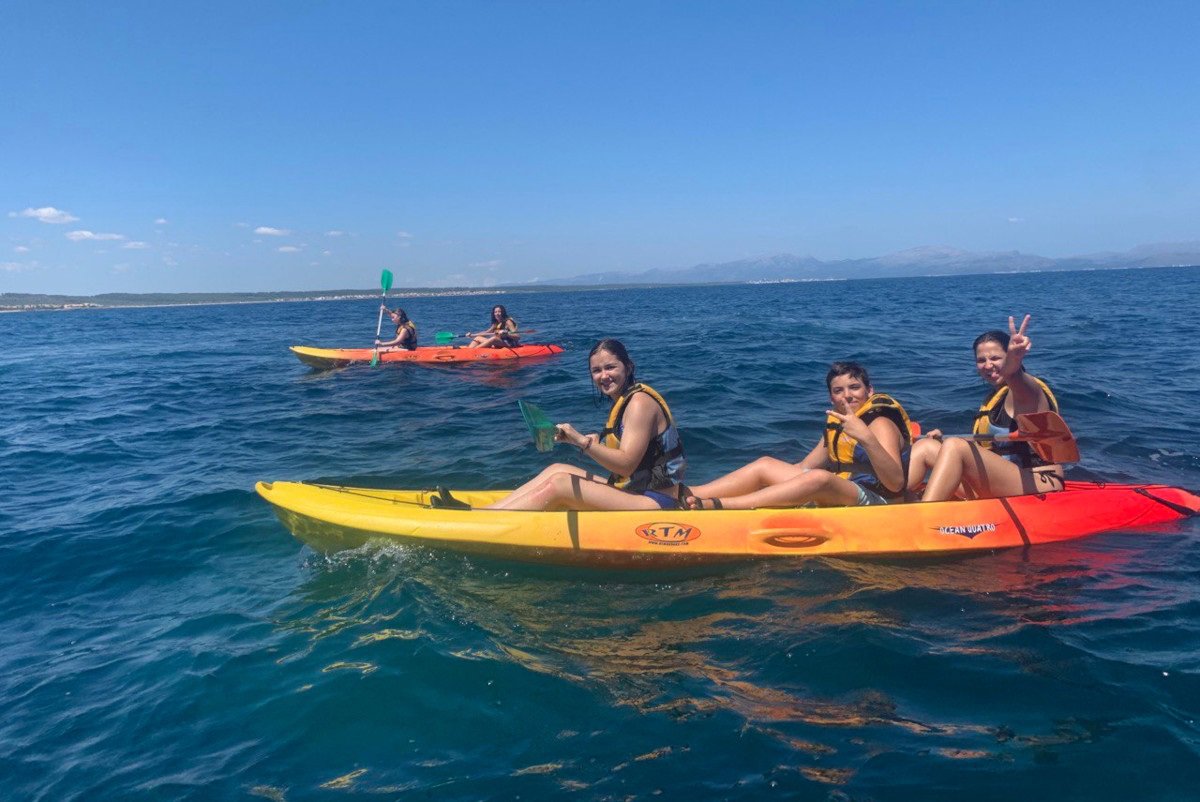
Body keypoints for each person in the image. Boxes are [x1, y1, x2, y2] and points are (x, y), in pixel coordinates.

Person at [485, 339, 687, 511]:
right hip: (634, 490)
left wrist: (582, 442)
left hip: (656, 501)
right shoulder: (624, 400)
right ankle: (489, 512)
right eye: (596, 370)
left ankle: (490, 521)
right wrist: (594, 442)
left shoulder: (639, 403)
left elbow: (626, 466)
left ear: (628, 367)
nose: (604, 376)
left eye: (610, 367)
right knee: (556, 469)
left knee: (560, 484)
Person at [683, 362, 913, 510]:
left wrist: (865, 437)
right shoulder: (839, 425)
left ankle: (722, 505)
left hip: (879, 501)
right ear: (831, 398)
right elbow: (804, 466)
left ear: (869, 391)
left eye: (854, 387)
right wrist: (775, 484)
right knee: (766, 464)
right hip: (845, 488)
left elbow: (895, 484)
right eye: (838, 390)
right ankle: (687, 494)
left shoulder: (880, 424)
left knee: (819, 478)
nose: (847, 396)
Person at [916, 315, 1064, 502]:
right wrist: (942, 442)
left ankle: (924, 514)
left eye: (995, 358)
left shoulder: (1026, 392)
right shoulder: (994, 398)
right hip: (999, 481)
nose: (988, 365)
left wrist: (1013, 369)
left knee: (955, 446)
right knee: (926, 446)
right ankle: (889, 501)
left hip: (1039, 480)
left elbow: (1020, 385)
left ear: (1009, 358)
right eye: (981, 360)